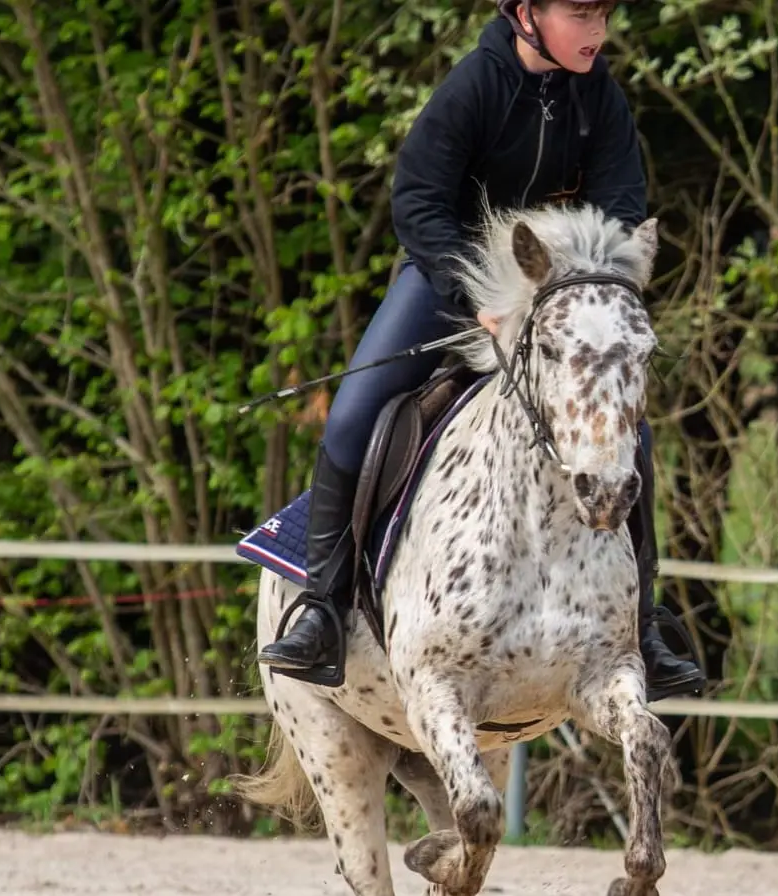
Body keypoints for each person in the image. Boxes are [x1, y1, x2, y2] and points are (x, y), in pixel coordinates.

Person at [258, 0, 706, 702]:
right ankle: (319, 607)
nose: (598, 32)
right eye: (582, 15)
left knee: (628, 436)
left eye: (603, 16)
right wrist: (481, 298)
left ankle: (641, 625)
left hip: (559, 296)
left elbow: (622, 204)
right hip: (452, 282)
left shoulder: (601, 98)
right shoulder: (473, 86)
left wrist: (590, 287)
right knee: (350, 416)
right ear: (526, 12)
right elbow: (417, 203)